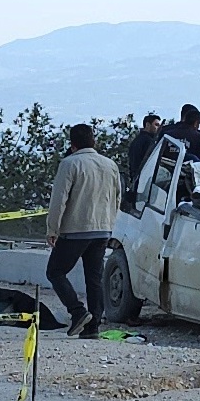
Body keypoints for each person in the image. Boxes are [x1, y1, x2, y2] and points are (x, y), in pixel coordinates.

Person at [45, 123, 121, 339]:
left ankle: (77, 311)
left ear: (72, 144)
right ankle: (93, 327)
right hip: (102, 229)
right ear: (93, 141)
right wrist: (110, 225)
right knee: (94, 278)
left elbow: (59, 200)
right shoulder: (110, 165)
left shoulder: (69, 164)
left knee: (55, 272)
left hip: (75, 230)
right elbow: (117, 198)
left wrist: (53, 228)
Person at [126, 114, 162, 184]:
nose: (158, 128)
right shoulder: (148, 141)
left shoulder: (137, 139)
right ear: (148, 125)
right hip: (143, 179)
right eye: (156, 125)